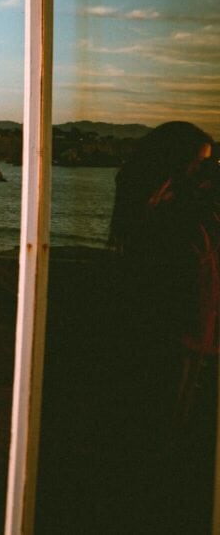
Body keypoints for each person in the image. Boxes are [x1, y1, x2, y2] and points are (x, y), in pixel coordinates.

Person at [103, 120, 219, 532]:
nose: (204, 177)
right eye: (197, 167)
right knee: (159, 443)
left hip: (190, 347)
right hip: (170, 346)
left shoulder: (178, 215)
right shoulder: (164, 223)